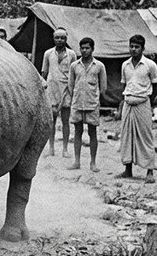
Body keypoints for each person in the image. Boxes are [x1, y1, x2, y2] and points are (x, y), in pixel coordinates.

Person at [117, 34, 157, 183]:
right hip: (128, 102)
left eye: (137, 47)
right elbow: (124, 85)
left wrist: (149, 101)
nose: (133, 49)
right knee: (126, 137)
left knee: (145, 137)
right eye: (131, 46)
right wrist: (121, 104)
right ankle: (127, 169)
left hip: (143, 102)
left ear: (143, 48)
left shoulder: (150, 65)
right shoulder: (125, 65)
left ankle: (149, 172)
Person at [67, 37, 108, 172]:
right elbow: (70, 85)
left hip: (92, 104)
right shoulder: (74, 66)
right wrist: (75, 98)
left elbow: (103, 87)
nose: (84, 50)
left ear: (92, 49)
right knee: (77, 132)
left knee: (92, 132)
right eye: (82, 48)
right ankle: (77, 161)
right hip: (77, 103)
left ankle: (93, 163)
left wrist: (95, 98)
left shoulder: (99, 66)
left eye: (87, 48)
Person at [41, 28, 75, 157]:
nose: (59, 40)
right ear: (53, 38)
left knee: (65, 120)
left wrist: (71, 90)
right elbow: (44, 72)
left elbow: (73, 74)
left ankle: (65, 149)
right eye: (57, 37)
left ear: (66, 39)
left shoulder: (71, 54)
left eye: (62, 38)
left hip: (66, 89)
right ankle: (51, 148)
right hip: (52, 89)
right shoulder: (48, 53)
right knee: (51, 120)